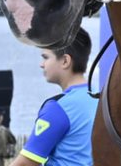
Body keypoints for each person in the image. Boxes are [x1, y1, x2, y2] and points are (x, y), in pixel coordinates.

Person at [8, 27, 96, 166]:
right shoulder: (101, 98)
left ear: (65, 61)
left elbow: (26, 163)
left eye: (46, 57)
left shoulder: (58, 108)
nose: (41, 64)